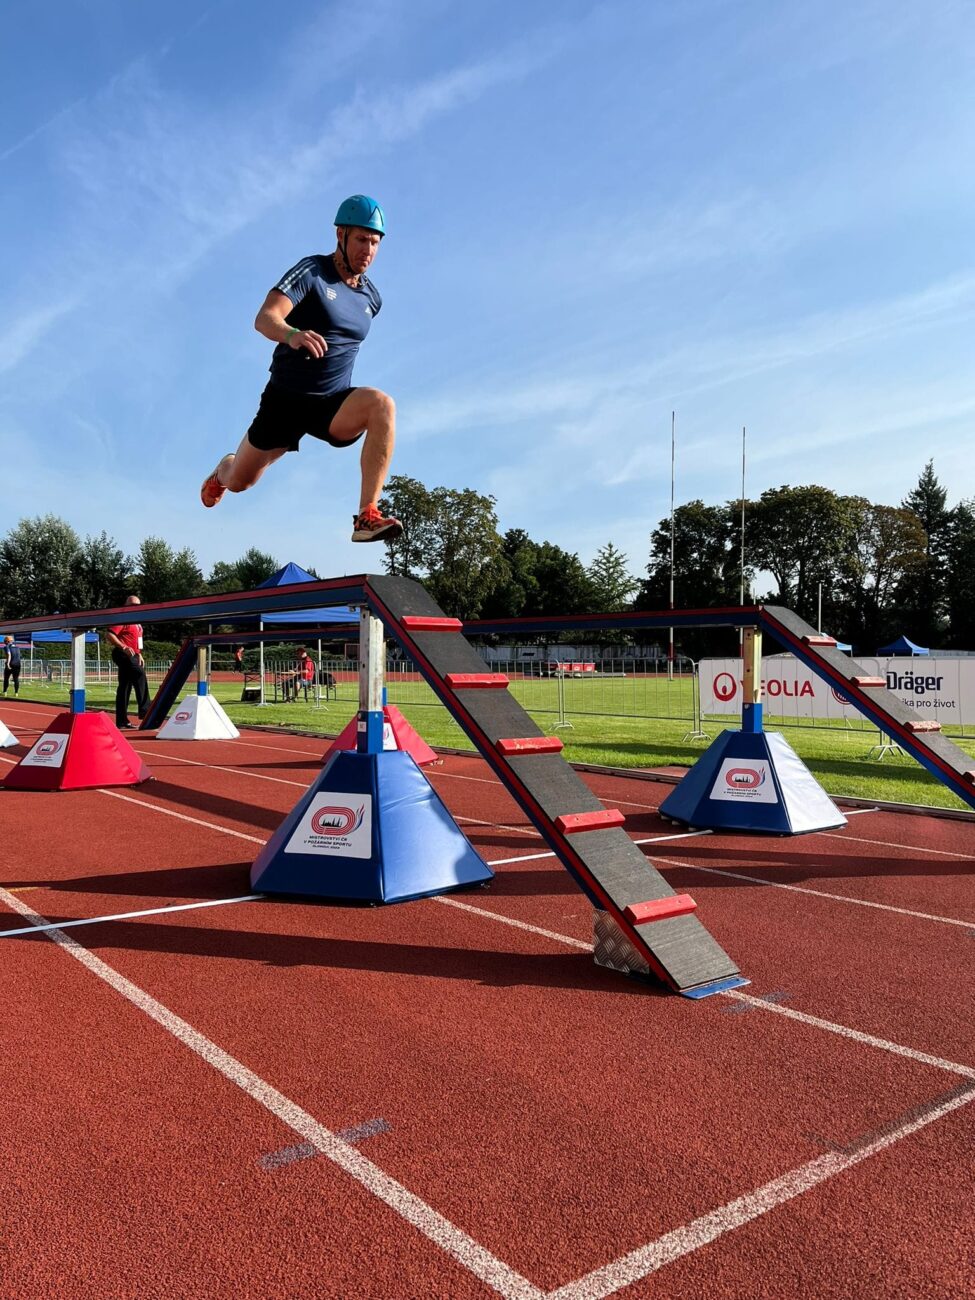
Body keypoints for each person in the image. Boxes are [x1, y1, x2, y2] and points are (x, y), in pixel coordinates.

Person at [199, 195, 402, 544]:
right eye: (360, 240)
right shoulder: (312, 271)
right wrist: (292, 334)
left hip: (331, 403)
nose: (367, 250)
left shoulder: (372, 298)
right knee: (242, 482)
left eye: (374, 242)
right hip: (285, 400)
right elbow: (265, 318)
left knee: (381, 404)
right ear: (341, 234)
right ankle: (223, 469)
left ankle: (367, 515)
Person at [106, 596, 150, 729]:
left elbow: (138, 640)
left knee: (125, 686)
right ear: (126, 605)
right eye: (132, 604)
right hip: (123, 653)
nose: (135, 607)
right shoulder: (123, 618)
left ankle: (122, 721)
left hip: (134, 655)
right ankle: (145, 710)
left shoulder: (138, 623)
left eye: (138, 605)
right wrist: (123, 647)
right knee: (139, 674)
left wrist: (139, 654)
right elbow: (109, 634)